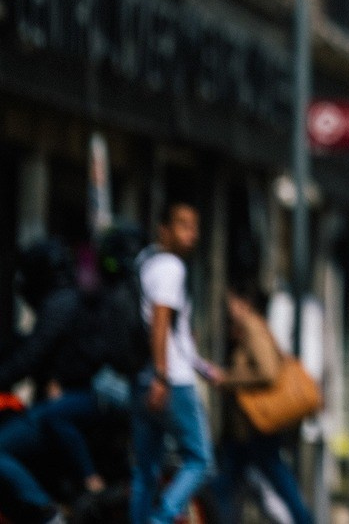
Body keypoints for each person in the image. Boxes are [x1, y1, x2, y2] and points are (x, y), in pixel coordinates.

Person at [0, 240, 108, 524]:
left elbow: (32, 355)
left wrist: (4, 375)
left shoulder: (59, 304)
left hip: (70, 403)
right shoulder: (72, 300)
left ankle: (46, 513)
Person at [132, 201, 215, 524]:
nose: (191, 234)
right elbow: (161, 320)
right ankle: (161, 519)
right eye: (182, 225)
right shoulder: (171, 267)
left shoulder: (145, 262)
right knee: (200, 459)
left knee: (146, 469)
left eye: (194, 227)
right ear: (163, 230)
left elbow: (172, 330)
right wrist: (162, 376)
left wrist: (203, 368)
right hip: (170, 380)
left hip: (143, 377)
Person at [211, 285, 314, 524]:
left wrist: (227, 379)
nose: (229, 308)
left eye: (232, 302)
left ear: (244, 303)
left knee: (276, 478)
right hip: (246, 427)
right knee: (228, 482)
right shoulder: (249, 327)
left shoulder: (252, 326)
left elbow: (268, 372)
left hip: (255, 424)